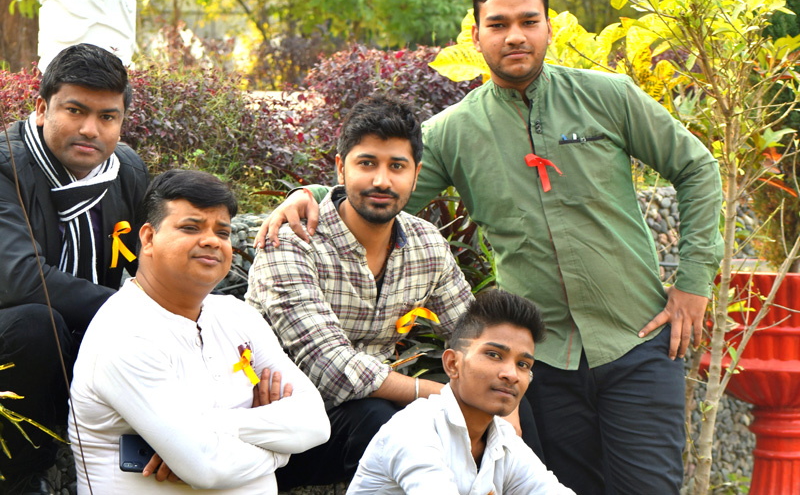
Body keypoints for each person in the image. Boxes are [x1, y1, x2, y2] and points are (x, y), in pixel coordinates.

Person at [259, 0, 724, 494]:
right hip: (541, 362)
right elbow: (382, 187)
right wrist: (309, 194)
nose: (515, 36)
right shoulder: (455, 132)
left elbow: (697, 168)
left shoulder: (609, 96)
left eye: (528, 21)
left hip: (635, 342)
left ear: (549, 27)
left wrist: (693, 282)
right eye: (498, 25)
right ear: (477, 36)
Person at [247, 94, 542, 490]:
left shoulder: (425, 243)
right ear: (341, 168)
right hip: (284, 423)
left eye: (397, 166)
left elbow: (471, 334)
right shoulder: (293, 241)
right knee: (377, 417)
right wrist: (444, 395)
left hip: (372, 413)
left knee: (513, 401)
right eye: (367, 163)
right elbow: (332, 368)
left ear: (415, 175)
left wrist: (504, 404)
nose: (382, 180)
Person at [68, 169, 329, 494]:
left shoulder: (237, 316)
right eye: (191, 228)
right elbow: (207, 467)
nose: (211, 241)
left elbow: (315, 423)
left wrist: (208, 425)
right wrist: (281, 452)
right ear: (148, 239)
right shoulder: (124, 332)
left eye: (223, 232)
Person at [0, 43, 149, 494]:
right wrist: (133, 309)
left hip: (83, 335)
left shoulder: (124, 171)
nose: (91, 129)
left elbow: (155, 250)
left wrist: (304, 196)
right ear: (42, 108)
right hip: (19, 338)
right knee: (37, 323)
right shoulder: (6, 167)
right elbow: (21, 279)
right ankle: (22, 478)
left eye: (107, 117)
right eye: (75, 110)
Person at [347, 290, 574, 495]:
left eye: (523, 364)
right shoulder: (415, 429)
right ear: (453, 364)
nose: (511, 374)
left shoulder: (504, 442)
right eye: (494, 355)